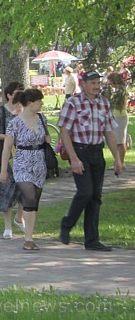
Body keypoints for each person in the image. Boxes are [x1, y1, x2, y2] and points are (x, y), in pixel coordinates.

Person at [58, 71, 122, 252]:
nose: (96, 86)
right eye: (92, 83)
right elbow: (64, 131)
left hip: (97, 153)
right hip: (80, 151)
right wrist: (73, 158)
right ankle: (67, 224)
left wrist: (117, 158)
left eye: (98, 83)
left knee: (95, 197)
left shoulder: (104, 103)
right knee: (85, 192)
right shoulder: (73, 103)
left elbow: (109, 131)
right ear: (83, 83)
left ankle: (92, 240)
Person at [0, 88, 50, 251]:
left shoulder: (42, 119)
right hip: (22, 162)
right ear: (30, 103)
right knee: (29, 198)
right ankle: (28, 239)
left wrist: (47, 140)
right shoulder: (15, 123)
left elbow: (46, 138)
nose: (41, 103)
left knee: (35, 200)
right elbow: (7, 148)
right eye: (39, 101)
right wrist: (4, 170)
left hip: (39, 162)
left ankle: (29, 233)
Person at [0, 81, 26, 239]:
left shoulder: (25, 110)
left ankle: (20, 216)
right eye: (17, 92)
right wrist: (8, 138)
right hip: (3, 155)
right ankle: (7, 226)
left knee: (25, 187)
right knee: (5, 189)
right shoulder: (1, 111)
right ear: (9, 95)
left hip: (22, 154)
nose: (20, 95)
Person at [103, 73, 128, 173]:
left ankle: (121, 162)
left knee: (120, 141)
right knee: (117, 140)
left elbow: (118, 105)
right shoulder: (117, 91)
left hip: (120, 117)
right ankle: (119, 162)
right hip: (116, 116)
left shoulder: (121, 91)